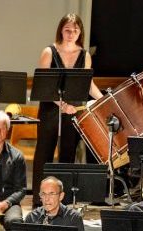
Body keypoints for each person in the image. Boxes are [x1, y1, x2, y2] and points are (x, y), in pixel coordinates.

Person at [33, 13, 104, 184]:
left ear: (80, 33)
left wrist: (103, 100)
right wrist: (62, 105)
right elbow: (45, 86)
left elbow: (87, 84)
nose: (71, 34)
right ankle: (38, 199)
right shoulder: (49, 52)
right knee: (44, 152)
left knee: (68, 153)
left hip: (74, 110)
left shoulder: (84, 55)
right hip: (51, 109)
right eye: (67, 30)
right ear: (61, 31)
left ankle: (61, 200)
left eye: (75, 30)